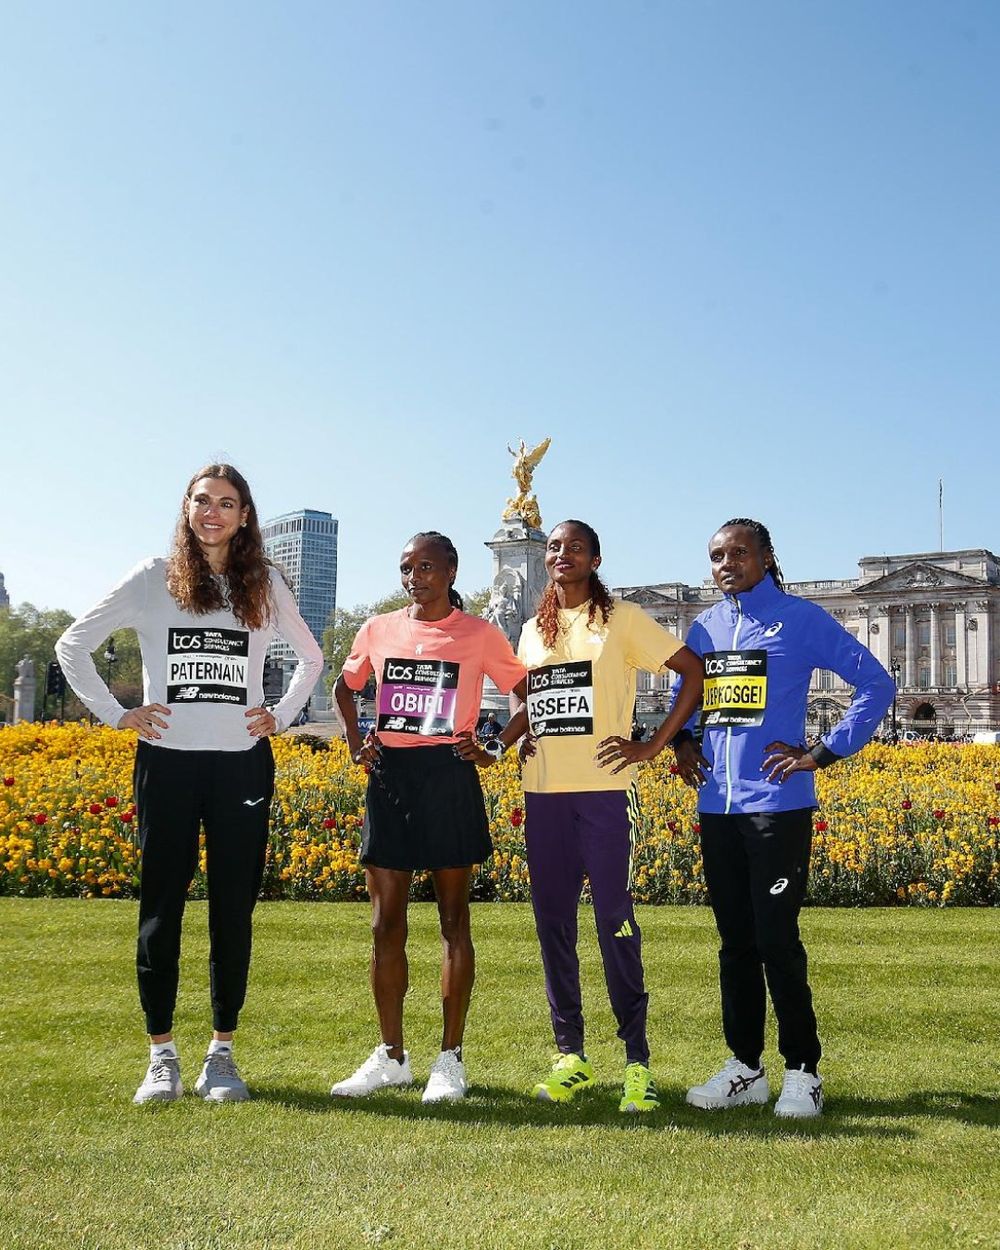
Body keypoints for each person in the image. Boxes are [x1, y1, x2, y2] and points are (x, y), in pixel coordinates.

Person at [56, 464, 323, 1104]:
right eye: (203, 501)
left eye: (227, 504)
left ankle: (221, 1056)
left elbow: (311, 659)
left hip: (240, 764)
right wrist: (119, 714)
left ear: (244, 516)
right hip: (167, 762)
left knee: (233, 910)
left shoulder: (265, 582)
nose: (213, 513)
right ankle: (162, 1056)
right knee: (161, 910)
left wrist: (279, 716)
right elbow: (73, 644)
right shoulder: (151, 578)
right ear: (186, 508)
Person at [673, 518, 894, 1118]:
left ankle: (803, 1071)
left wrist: (820, 753)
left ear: (767, 557)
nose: (726, 564)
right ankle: (746, 1067)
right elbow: (686, 699)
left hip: (776, 805)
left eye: (739, 553)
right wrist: (683, 742)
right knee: (735, 944)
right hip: (716, 806)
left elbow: (876, 684)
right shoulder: (706, 626)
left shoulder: (801, 619)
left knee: (776, 940)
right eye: (717, 556)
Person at [514, 520, 704, 1113]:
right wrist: (506, 741)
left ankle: (637, 1062)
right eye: (554, 546)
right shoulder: (530, 629)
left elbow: (693, 672)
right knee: (554, 926)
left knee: (615, 922)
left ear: (595, 559)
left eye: (574, 547)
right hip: (543, 792)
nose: (561, 554)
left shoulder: (620, 618)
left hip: (602, 791)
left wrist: (653, 745)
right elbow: (531, 701)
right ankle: (570, 1054)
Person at [331, 531, 528, 1103]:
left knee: (452, 923)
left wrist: (493, 747)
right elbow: (345, 688)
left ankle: (450, 1058)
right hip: (390, 776)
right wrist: (354, 741)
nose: (415, 577)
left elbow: (526, 692)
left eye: (426, 567)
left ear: (451, 570)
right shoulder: (378, 629)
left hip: (447, 777)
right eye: (406, 568)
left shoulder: (480, 634)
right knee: (383, 925)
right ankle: (390, 1055)